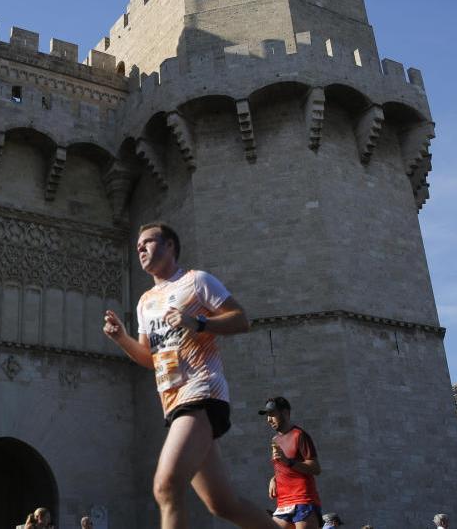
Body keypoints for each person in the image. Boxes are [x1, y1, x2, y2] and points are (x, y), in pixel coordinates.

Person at [103, 222, 275, 529]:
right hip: (173, 401)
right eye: (138, 245)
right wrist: (122, 340)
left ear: (170, 246)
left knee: (166, 486)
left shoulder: (197, 282)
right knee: (223, 504)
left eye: (148, 242)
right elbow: (149, 358)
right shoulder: (145, 302)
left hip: (201, 392)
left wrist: (198, 323)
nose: (140, 248)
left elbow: (241, 319)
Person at [263, 397, 322, 529]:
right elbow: (283, 467)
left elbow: (316, 468)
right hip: (283, 504)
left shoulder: (299, 435)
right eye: (267, 416)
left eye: (272, 414)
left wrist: (288, 461)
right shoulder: (275, 439)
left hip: (303, 501)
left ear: (285, 413)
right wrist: (274, 479)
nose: (268, 419)